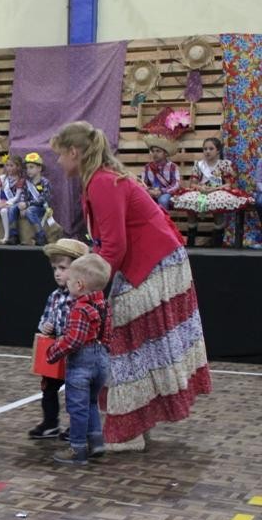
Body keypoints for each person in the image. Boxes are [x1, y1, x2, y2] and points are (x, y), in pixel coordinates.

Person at [50, 120, 210, 448]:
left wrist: (85, 287)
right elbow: (108, 244)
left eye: (59, 154)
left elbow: (114, 247)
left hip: (151, 262)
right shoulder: (101, 179)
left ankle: (129, 432)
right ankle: (136, 425)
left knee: (124, 342)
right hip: (152, 260)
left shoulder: (101, 183)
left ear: (74, 152)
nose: (58, 161)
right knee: (133, 343)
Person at [45, 253, 113, 465]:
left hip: (82, 365)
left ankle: (77, 449)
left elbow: (74, 340)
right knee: (91, 402)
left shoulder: (79, 309)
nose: (67, 284)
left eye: (70, 281)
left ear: (80, 285)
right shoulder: (104, 305)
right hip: (102, 361)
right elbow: (109, 335)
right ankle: (96, 441)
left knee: (77, 408)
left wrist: (53, 352)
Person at [27, 238, 88, 440]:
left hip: (76, 353)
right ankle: (50, 423)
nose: (57, 273)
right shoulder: (54, 296)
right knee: (49, 389)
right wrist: (45, 325)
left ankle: (77, 427)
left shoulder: (83, 297)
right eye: (55, 268)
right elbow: (45, 318)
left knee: (75, 392)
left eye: (63, 268)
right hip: (57, 351)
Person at [172, 137, 252, 247]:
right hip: (202, 192)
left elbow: (229, 184)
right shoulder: (199, 165)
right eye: (205, 149)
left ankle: (217, 243)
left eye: (211, 149)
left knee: (218, 206)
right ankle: (191, 242)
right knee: (191, 206)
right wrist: (201, 188)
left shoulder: (224, 165)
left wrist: (214, 189)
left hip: (218, 191)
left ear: (218, 150)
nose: (207, 151)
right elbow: (193, 184)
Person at [6, 152, 50, 245]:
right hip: (27, 205)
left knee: (30, 211)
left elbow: (42, 199)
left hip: (40, 207)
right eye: (27, 168)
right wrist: (22, 205)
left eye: (31, 167)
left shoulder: (45, 182)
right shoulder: (27, 182)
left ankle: (41, 235)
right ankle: (14, 235)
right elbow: (23, 194)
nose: (28, 170)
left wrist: (27, 204)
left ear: (39, 168)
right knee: (12, 208)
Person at [0, 154, 24, 242]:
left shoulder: (20, 180)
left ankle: (6, 236)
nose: (9, 168)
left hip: (11, 203)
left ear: (18, 167)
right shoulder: (2, 178)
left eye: (11, 165)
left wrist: (6, 203)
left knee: (4, 211)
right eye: (7, 165)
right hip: (0, 202)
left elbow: (17, 196)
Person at [141, 136, 180, 212]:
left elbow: (176, 184)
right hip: (151, 192)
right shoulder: (147, 167)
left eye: (158, 151)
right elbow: (143, 184)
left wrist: (161, 191)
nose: (155, 154)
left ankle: (163, 219)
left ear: (165, 153)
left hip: (166, 192)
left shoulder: (172, 167)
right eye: (153, 151)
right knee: (142, 199)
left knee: (163, 200)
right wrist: (149, 191)